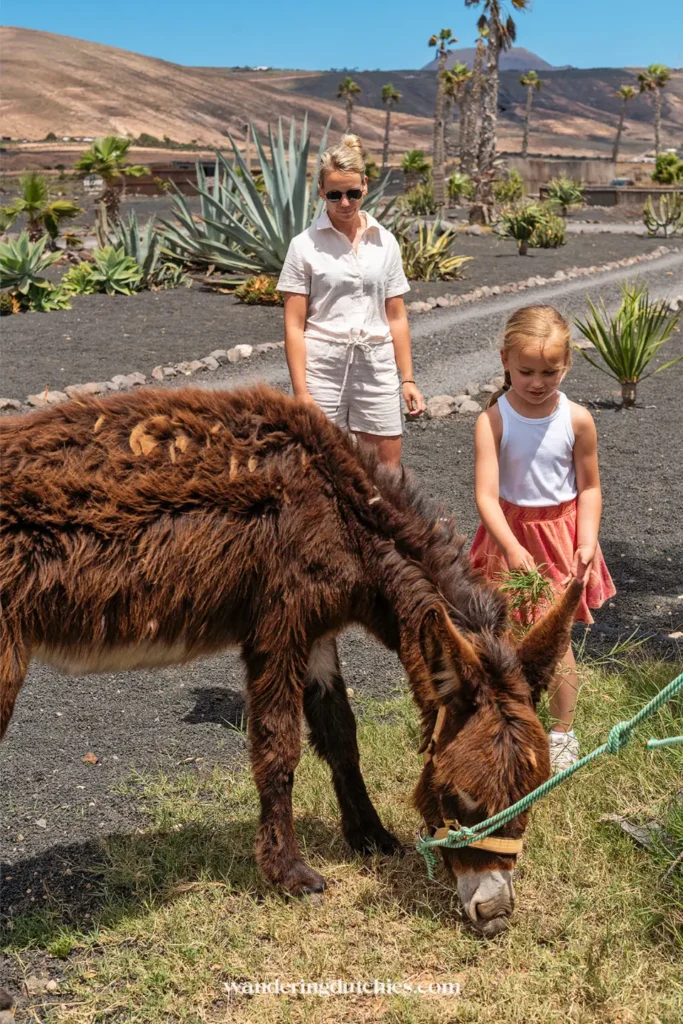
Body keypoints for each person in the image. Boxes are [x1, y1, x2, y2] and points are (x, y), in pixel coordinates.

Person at [470, 305, 616, 772]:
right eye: (526, 371)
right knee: (503, 634)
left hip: (559, 540)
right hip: (506, 538)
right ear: (505, 361)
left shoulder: (578, 420)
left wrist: (586, 540)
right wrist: (512, 547)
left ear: (566, 364)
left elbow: (589, 488)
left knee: (555, 638)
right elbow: (486, 496)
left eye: (549, 372)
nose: (537, 382)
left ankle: (563, 733)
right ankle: (507, 721)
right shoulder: (493, 421)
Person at [277, 133, 425, 468]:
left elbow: (396, 316)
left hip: (376, 366)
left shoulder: (385, 242)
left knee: (387, 472)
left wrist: (408, 379)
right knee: (320, 467)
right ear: (321, 191)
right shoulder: (303, 246)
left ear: (365, 186)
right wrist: (301, 393)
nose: (344, 203)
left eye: (353, 193)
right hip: (323, 369)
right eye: (334, 195)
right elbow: (294, 325)